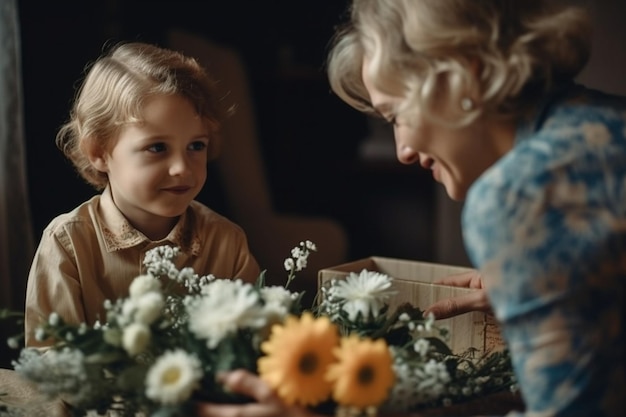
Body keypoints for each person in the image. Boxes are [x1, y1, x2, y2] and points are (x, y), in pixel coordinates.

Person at [197, 1, 625, 416]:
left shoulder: (518, 193)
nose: (402, 151)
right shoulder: (604, 121)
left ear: (462, 75)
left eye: (397, 114)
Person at [25, 42, 261, 348]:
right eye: (157, 148)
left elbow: (253, 343)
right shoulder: (67, 244)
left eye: (196, 146)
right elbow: (51, 359)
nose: (181, 168)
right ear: (98, 151)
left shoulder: (227, 243)